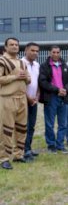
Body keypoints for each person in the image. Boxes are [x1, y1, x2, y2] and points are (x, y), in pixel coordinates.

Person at [0, 38, 30, 169]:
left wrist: (26, 78)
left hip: (22, 98)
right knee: (5, 129)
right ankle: (4, 158)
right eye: (11, 45)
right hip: (7, 98)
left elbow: (28, 79)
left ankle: (19, 155)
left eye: (16, 45)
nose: (14, 46)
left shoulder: (22, 63)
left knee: (22, 128)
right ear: (5, 47)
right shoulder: (2, 60)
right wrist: (15, 77)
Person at [39, 45, 68, 154]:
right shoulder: (44, 66)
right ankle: (51, 145)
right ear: (50, 53)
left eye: (58, 52)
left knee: (63, 123)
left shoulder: (65, 65)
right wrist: (57, 90)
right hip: (51, 97)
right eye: (53, 52)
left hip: (63, 97)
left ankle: (60, 144)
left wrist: (65, 89)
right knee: (50, 123)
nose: (56, 54)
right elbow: (43, 82)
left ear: (60, 53)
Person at [22, 42, 40, 161]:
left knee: (32, 126)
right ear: (26, 51)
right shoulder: (21, 63)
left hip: (34, 100)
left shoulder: (37, 65)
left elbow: (38, 82)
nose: (35, 53)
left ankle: (28, 148)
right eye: (32, 50)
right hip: (23, 100)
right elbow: (19, 84)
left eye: (37, 51)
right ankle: (23, 151)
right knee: (24, 126)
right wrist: (28, 97)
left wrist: (37, 97)